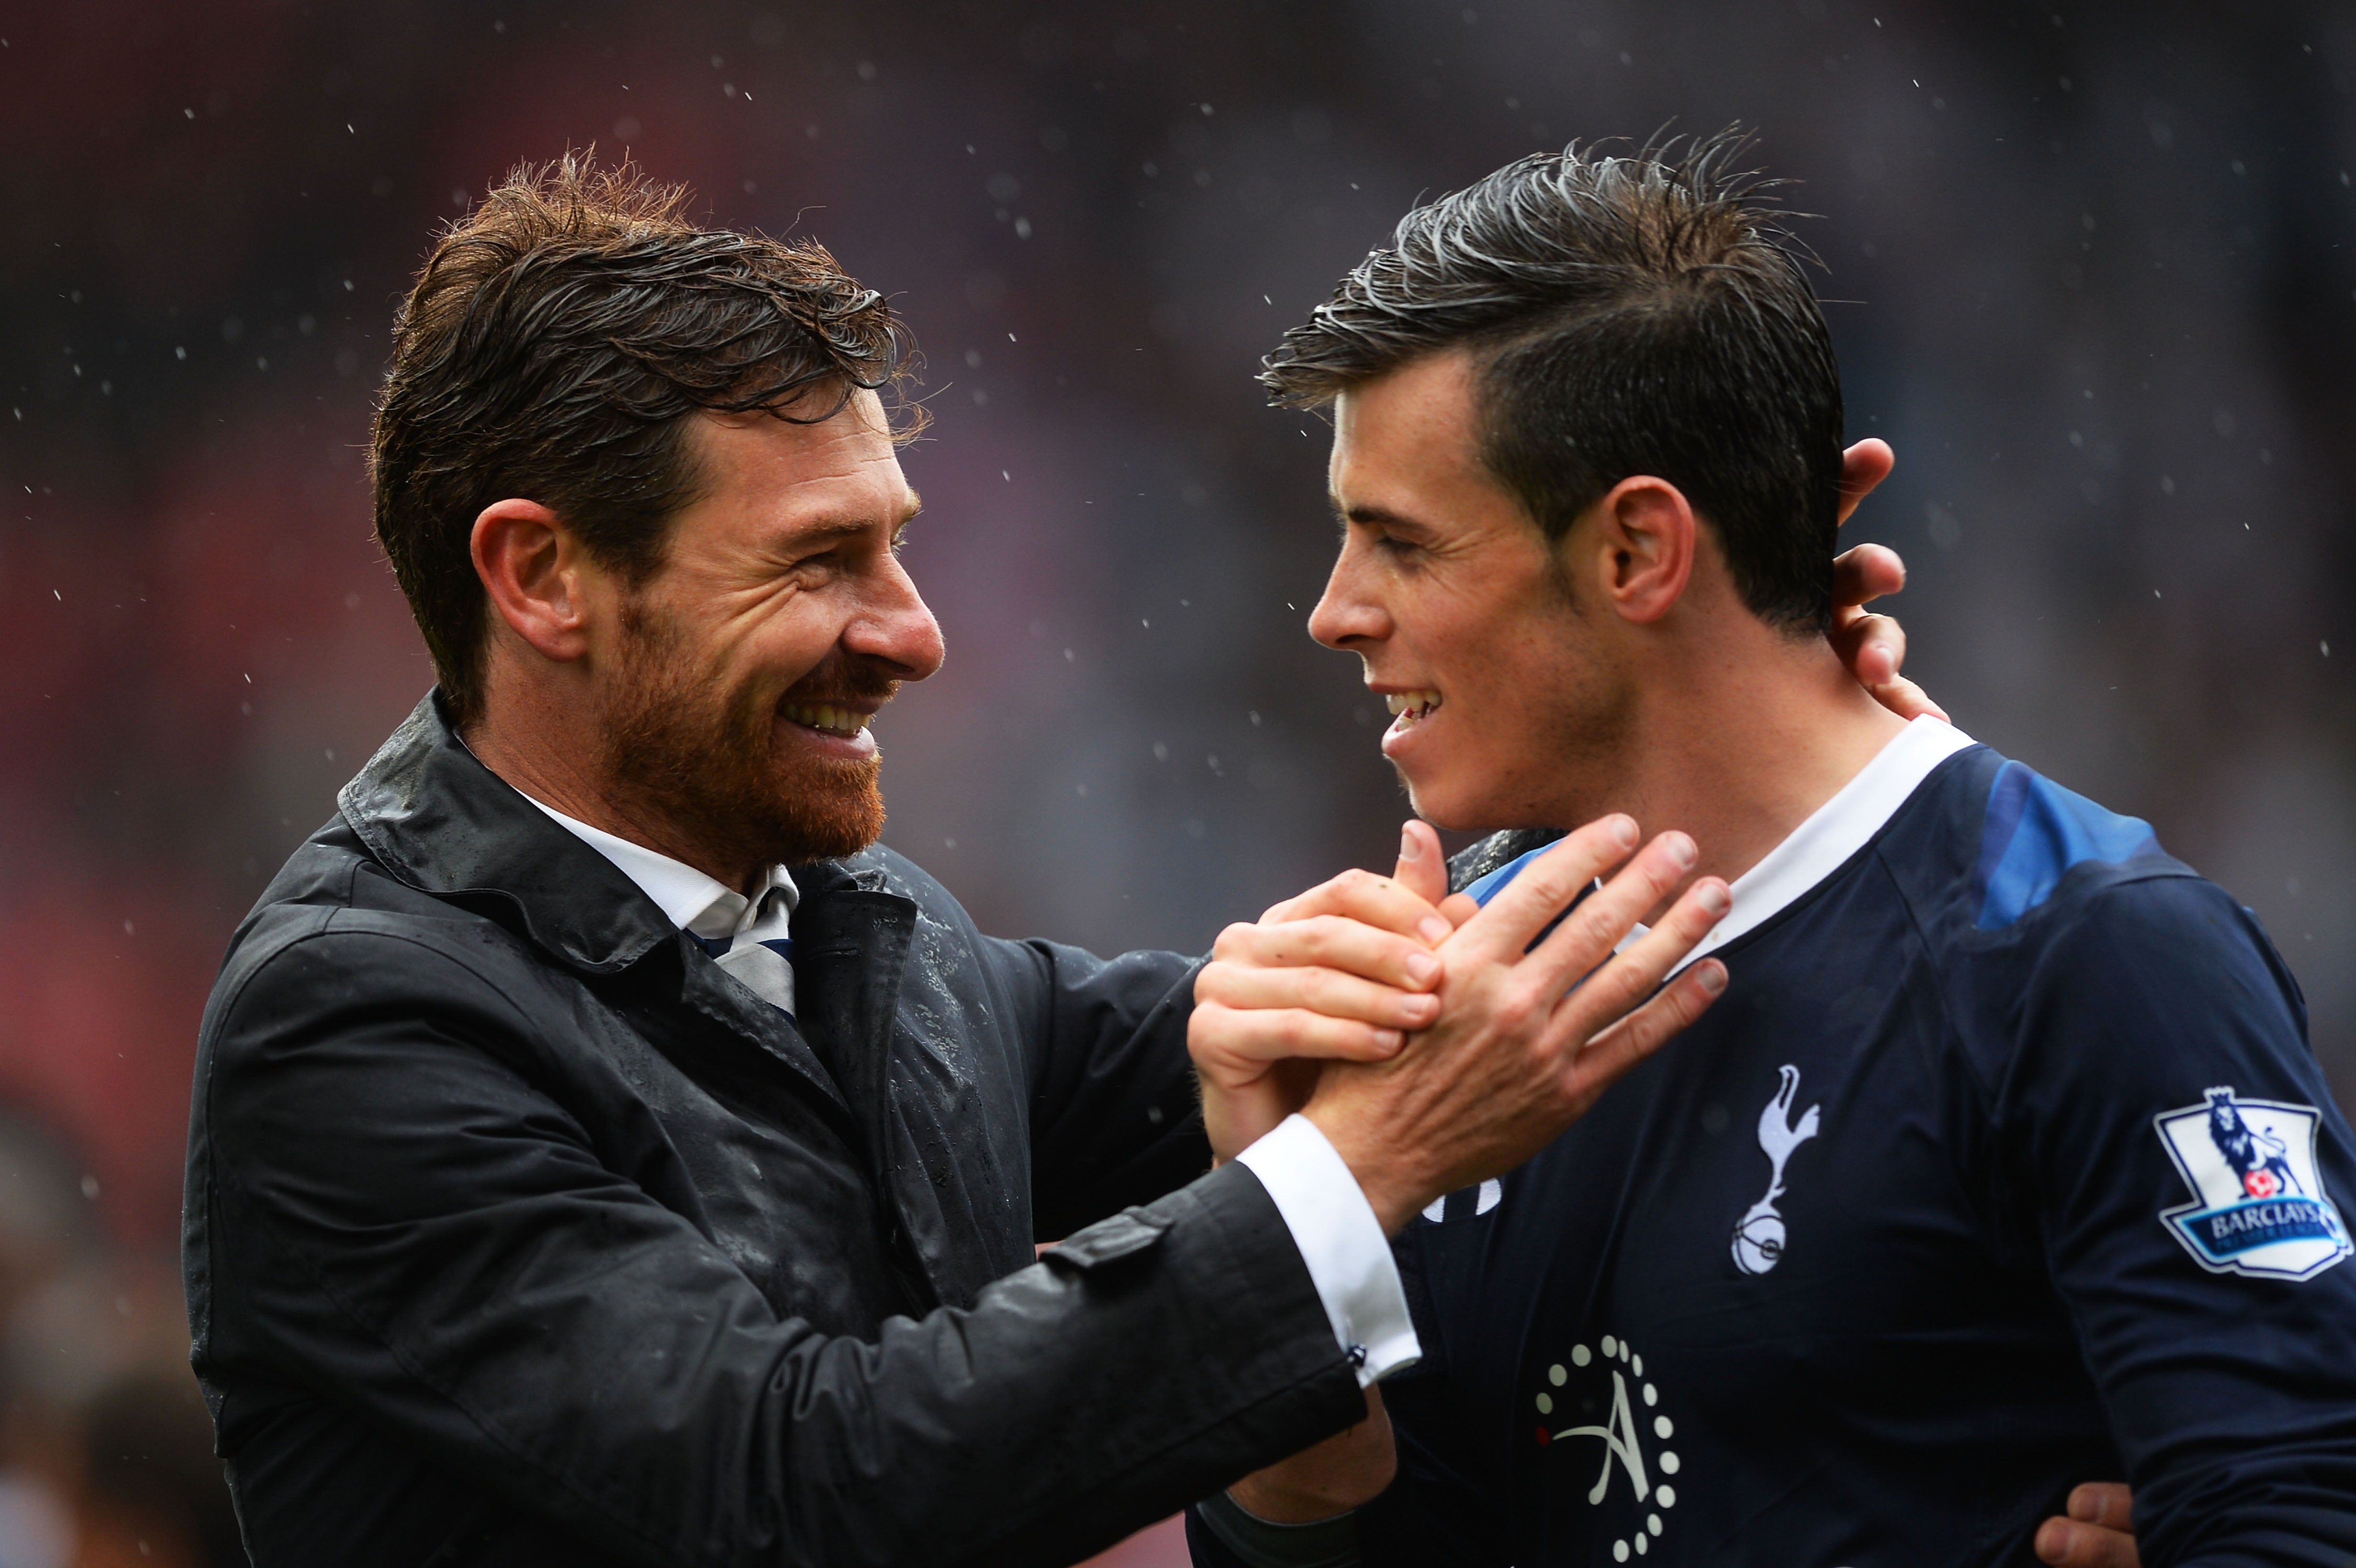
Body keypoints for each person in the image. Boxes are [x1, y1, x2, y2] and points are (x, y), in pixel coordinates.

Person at [182, 154, 1832, 1568]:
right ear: (542, 578)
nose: (914, 632)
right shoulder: (356, 1029)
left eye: (898, 542)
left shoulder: (856, 926)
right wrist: (1348, 1177)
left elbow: (1323, 1023)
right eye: (820, 560)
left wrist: (1723, 692)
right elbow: (805, 1487)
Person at [1184, 136, 2356, 1568]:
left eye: (1400, 544)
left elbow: (2296, 1512)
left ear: (1636, 554)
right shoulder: (1462, 1004)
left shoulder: (2087, 955)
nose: (1335, 612)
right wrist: (1286, 1247)